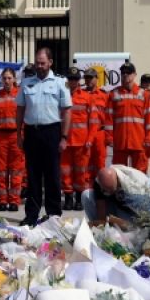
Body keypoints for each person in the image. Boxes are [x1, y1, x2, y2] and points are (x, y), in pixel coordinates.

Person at [15, 48, 71, 226]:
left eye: (43, 63)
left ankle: (54, 214)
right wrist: (18, 133)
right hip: (32, 132)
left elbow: (67, 110)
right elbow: (20, 109)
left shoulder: (60, 83)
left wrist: (64, 137)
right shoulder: (26, 83)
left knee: (52, 175)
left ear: (50, 63)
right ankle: (31, 215)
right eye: (37, 62)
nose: (39, 66)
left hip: (51, 132)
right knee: (32, 176)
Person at [0, 67, 23, 212]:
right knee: (0, 171)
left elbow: (25, 118)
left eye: (9, 78)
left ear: (14, 79)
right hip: (0, 137)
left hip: (15, 136)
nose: (7, 81)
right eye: (4, 78)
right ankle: (2, 200)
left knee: (16, 170)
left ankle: (14, 201)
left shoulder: (20, 95)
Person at [108, 61, 150, 173]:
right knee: (119, 172)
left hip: (138, 141)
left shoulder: (144, 94)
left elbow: (149, 119)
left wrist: (149, 138)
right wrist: (109, 137)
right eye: (123, 72)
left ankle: (138, 191)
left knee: (140, 173)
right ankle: (121, 191)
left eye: (129, 72)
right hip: (120, 141)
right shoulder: (114, 94)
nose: (125, 75)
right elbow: (108, 119)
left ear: (134, 75)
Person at [81, 165, 150, 229]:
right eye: (105, 190)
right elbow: (101, 212)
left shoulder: (133, 186)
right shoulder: (100, 181)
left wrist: (119, 223)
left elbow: (143, 217)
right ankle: (99, 231)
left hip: (129, 211)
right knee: (86, 195)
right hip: (112, 205)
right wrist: (101, 224)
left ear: (117, 181)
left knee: (132, 229)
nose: (107, 193)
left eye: (111, 190)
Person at [61, 67, 93, 211]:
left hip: (82, 141)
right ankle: (68, 198)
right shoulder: (61, 95)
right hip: (65, 140)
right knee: (65, 171)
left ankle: (79, 199)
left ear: (79, 80)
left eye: (75, 79)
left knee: (81, 172)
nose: (72, 81)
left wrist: (90, 139)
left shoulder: (87, 97)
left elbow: (93, 121)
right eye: (70, 79)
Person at [85, 67, 112, 177]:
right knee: (85, 163)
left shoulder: (104, 96)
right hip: (85, 133)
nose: (88, 80)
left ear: (96, 79)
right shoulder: (81, 95)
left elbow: (109, 117)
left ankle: (100, 188)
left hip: (100, 133)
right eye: (86, 78)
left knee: (100, 161)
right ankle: (86, 190)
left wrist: (108, 135)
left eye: (91, 78)